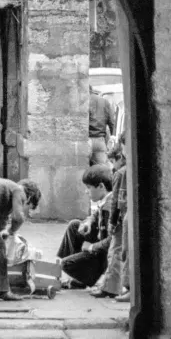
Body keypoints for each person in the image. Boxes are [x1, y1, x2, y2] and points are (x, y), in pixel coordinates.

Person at [57, 165, 113, 289]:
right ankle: (76, 274)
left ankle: (80, 277)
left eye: (88, 188)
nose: (86, 191)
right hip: (98, 246)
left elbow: (113, 241)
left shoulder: (110, 208)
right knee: (75, 225)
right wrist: (88, 223)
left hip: (102, 256)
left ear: (101, 186)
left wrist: (91, 247)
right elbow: (95, 215)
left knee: (66, 264)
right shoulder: (104, 201)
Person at [92, 132, 131, 300]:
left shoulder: (120, 174)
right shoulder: (127, 171)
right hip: (126, 216)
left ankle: (112, 287)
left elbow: (116, 200)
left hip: (122, 217)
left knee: (116, 252)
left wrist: (112, 222)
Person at [88, 87, 116, 159]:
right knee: (103, 168)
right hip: (100, 140)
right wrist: (113, 137)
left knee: (82, 169)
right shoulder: (104, 101)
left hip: (85, 142)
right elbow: (112, 122)